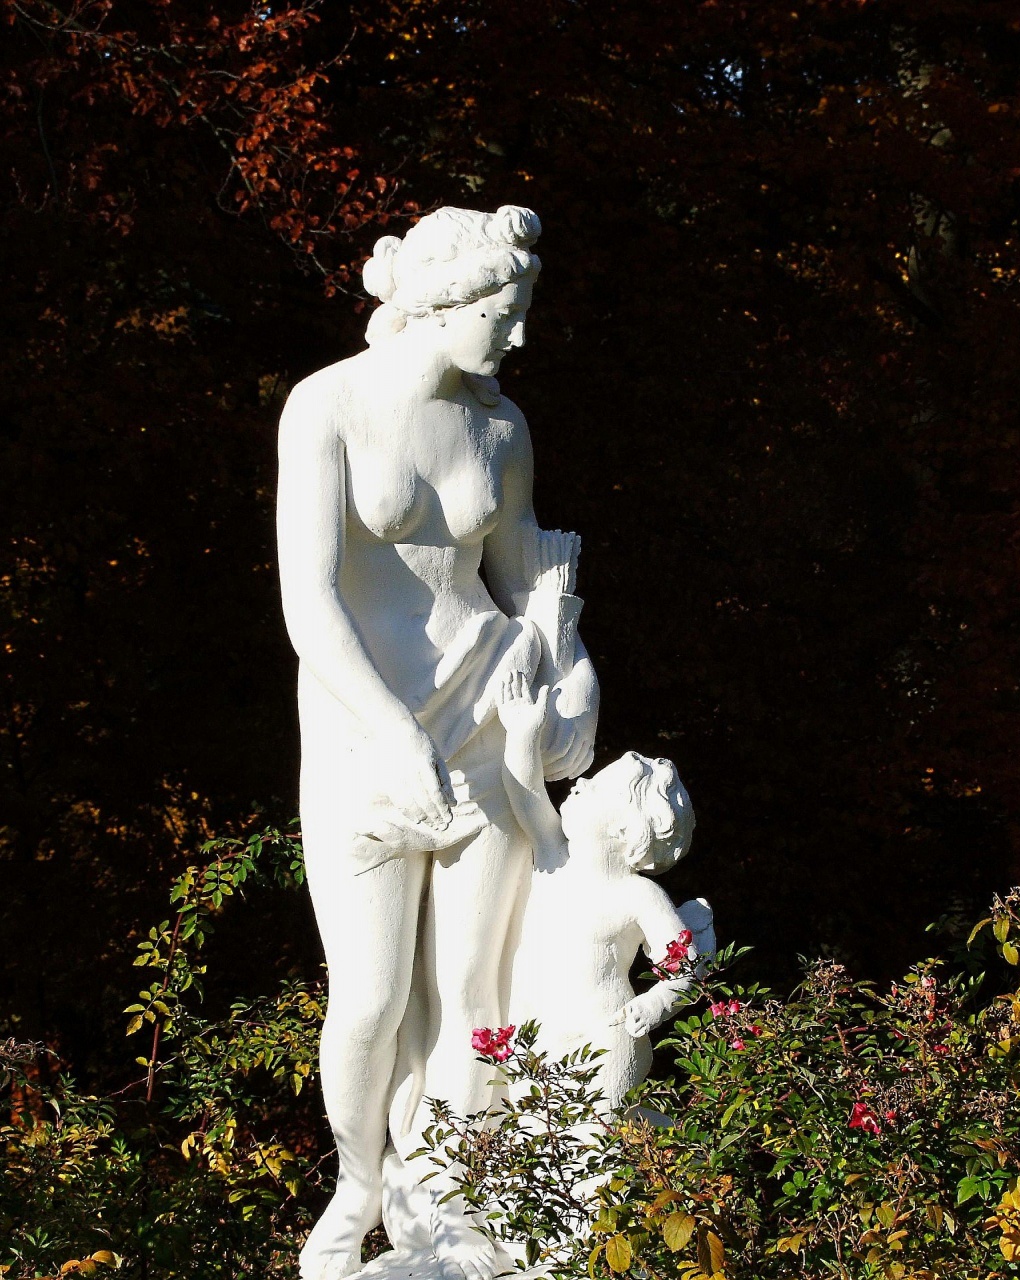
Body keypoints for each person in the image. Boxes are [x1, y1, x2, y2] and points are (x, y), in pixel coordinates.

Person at [276, 206, 599, 1280]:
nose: (516, 339)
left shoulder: (501, 429)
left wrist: (562, 665)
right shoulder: (326, 406)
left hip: (481, 718)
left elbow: (522, 580)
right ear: (445, 304)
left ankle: (449, 1196)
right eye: (503, 317)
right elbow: (309, 604)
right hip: (366, 737)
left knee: (475, 992)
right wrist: (388, 731)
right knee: (367, 996)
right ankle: (358, 1180)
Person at [494, 666, 713, 1110]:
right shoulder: (555, 854)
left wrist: (655, 1005)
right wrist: (521, 733)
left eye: (594, 787)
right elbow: (526, 795)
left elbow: (687, 968)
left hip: (607, 1033)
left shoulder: (637, 895)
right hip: (537, 1033)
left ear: (623, 826)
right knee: (535, 1143)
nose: (579, 783)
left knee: (597, 1147)